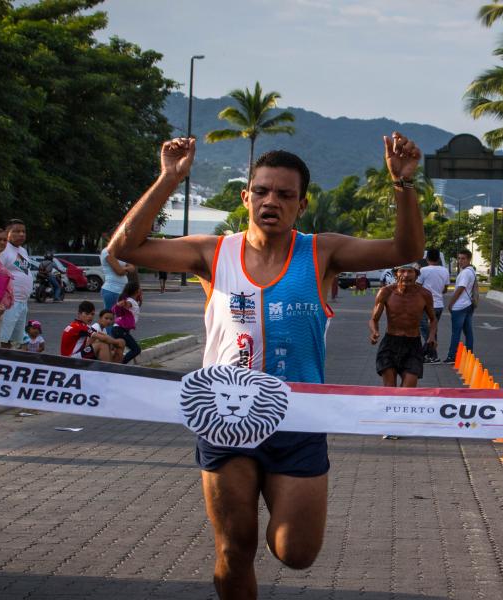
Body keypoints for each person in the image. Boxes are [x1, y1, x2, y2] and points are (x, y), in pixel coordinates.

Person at [108, 132, 424, 599]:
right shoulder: (213, 252)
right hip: (226, 417)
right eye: (261, 191)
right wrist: (168, 178)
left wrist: (402, 184)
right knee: (235, 548)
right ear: (245, 198)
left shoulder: (321, 252)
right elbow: (125, 249)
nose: (270, 201)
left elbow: (405, 250)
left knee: (296, 551)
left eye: (284, 194)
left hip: (297, 420)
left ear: (302, 204)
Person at [369, 263, 436, 388]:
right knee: (390, 389)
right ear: (396, 274)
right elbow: (374, 319)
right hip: (390, 344)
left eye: (410, 271)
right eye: (402, 271)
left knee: (408, 391)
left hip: (413, 345)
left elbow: (433, 319)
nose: (406, 275)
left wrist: (431, 336)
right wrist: (374, 332)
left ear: (416, 275)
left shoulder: (425, 294)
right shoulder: (385, 292)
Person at [0, 219, 33, 349]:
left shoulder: (22, 251)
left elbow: (22, 271)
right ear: (7, 232)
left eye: (23, 231)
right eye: (17, 231)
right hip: (9, 302)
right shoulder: (3, 249)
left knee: (15, 340)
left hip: (22, 302)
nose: (21, 234)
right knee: (3, 338)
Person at [442, 249, 477, 363]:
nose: (460, 261)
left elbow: (461, 288)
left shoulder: (466, 272)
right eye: (459, 258)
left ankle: (452, 356)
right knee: (468, 332)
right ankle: (469, 355)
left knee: (456, 333)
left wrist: (451, 303)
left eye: (463, 259)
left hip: (460, 306)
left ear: (469, 259)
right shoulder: (471, 271)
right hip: (468, 305)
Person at [417, 248, 448, 363]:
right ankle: (431, 355)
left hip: (426, 305)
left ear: (427, 258)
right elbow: (445, 289)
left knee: (425, 329)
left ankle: (431, 355)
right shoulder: (445, 271)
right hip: (439, 305)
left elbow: (418, 287)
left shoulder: (423, 270)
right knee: (433, 330)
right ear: (439, 258)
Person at [111, 281, 143, 364]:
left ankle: (117, 363)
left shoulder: (132, 301)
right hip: (120, 330)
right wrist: (122, 304)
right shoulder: (130, 301)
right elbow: (126, 305)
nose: (141, 289)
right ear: (136, 291)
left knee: (118, 351)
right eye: (140, 288)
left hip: (119, 330)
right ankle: (121, 364)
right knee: (136, 349)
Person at [100, 244, 135, 311]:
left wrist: (123, 269)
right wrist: (126, 269)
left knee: (122, 314)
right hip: (112, 289)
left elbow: (132, 268)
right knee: (110, 314)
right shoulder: (107, 251)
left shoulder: (120, 252)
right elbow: (119, 272)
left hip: (122, 290)